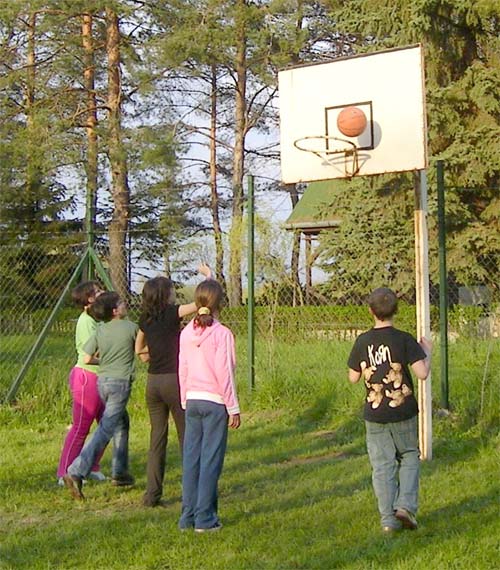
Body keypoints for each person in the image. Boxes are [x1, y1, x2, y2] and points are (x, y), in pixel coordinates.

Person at [347, 287, 432, 534]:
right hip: (404, 411)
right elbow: (422, 373)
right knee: (409, 455)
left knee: (382, 466)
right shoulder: (404, 339)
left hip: (375, 414)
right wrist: (427, 352)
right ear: (396, 310)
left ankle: (388, 521)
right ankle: (405, 506)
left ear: (370, 311)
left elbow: (353, 377)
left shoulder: (362, 341)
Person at [135, 264, 212, 508]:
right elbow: (201, 304)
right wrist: (208, 277)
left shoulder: (145, 318)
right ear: (164, 295)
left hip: (153, 383)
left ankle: (152, 495)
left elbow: (139, 350)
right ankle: (194, 490)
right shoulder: (172, 313)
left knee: (157, 439)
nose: (173, 294)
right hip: (175, 381)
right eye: (170, 291)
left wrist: (151, 353)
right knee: (186, 437)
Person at [178, 280, 240, 532]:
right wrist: (233, 407)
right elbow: (225, 372)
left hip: (192, 400)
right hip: (214, 401)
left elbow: (182, 367)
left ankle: (187, 517)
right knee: (210, 461)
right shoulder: (222, 333)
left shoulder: (186, 333)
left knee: (191, 459)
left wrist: (184, 398)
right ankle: (205, 518)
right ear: (219, 303)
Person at [63, 291, 138, 500]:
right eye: (121, 303)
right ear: (115, 311)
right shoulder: (131, 327)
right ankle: (76, 471)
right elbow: (142, 349)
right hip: (120, 383)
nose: (125, 304)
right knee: (106, 428)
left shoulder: (101, 329)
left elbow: (87, 358)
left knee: (122, 423)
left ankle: (120, 472)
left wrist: (104, 361)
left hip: (102, 382)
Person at [57, 281, 106, 486]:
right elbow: (90, 355)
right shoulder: (86, 321)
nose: (102, 292)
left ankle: (90, 466)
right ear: (89, 299)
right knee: (80, 428)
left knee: (107, 425)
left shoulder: (99, 319)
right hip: (87, 378)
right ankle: (65, 472)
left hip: (102, 377)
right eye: (97, 291)